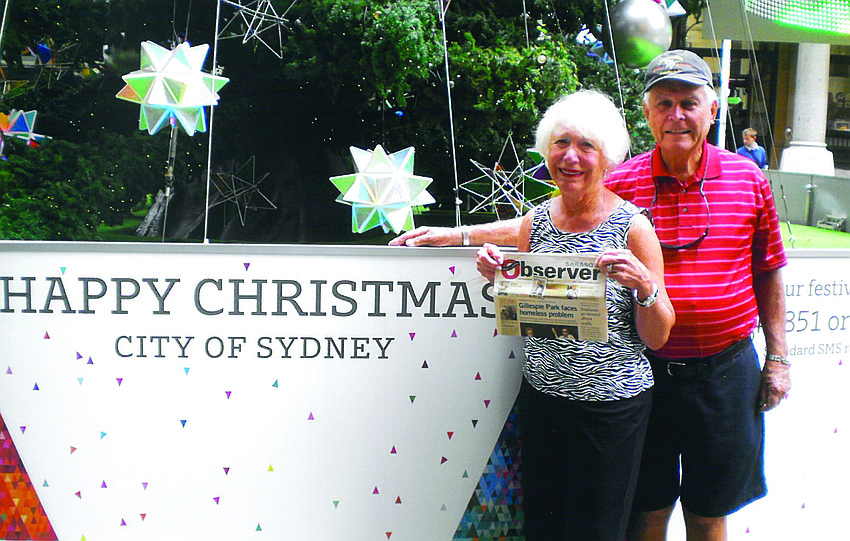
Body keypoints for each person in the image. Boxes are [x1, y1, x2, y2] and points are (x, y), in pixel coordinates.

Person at [390, 49, 791, 541]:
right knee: (645, 511)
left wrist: (780, 357)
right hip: (651, 377)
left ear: (713, 110)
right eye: (663, 103)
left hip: (723, 371)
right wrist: (457, 236)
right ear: (647, 113)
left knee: (710, 511)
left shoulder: (748, 180)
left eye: (689, 103)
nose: (676, 115)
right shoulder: (618, 177)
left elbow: (770, 270)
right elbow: (550, 220)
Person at [482, 90, 676, 540]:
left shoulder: (633, 227)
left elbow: (659, 336)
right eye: (560, 142)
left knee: (596, 530)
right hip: (543, 400)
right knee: (545, 527)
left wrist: (645, 288)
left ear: (606, 158)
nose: (570, 156)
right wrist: (501, 279)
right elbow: (532, 312)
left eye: (586, 146)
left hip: (611, 410)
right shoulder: (535, 223)